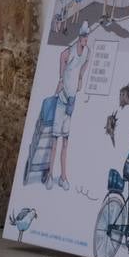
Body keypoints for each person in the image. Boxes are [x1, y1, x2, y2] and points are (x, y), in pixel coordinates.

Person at [47, 22, 90, 191]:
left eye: (87, 37)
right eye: (84, 37)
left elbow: (86, 61)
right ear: (79, 37)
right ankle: (50, 174)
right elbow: (62, 57)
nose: (85, 39)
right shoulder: (71, 50)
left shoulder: (86, 52)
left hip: (71, 101)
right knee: (55, 140)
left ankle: (63, 176)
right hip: (63, 99)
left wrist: (80, 77)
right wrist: (61, 78)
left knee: (66, 141)